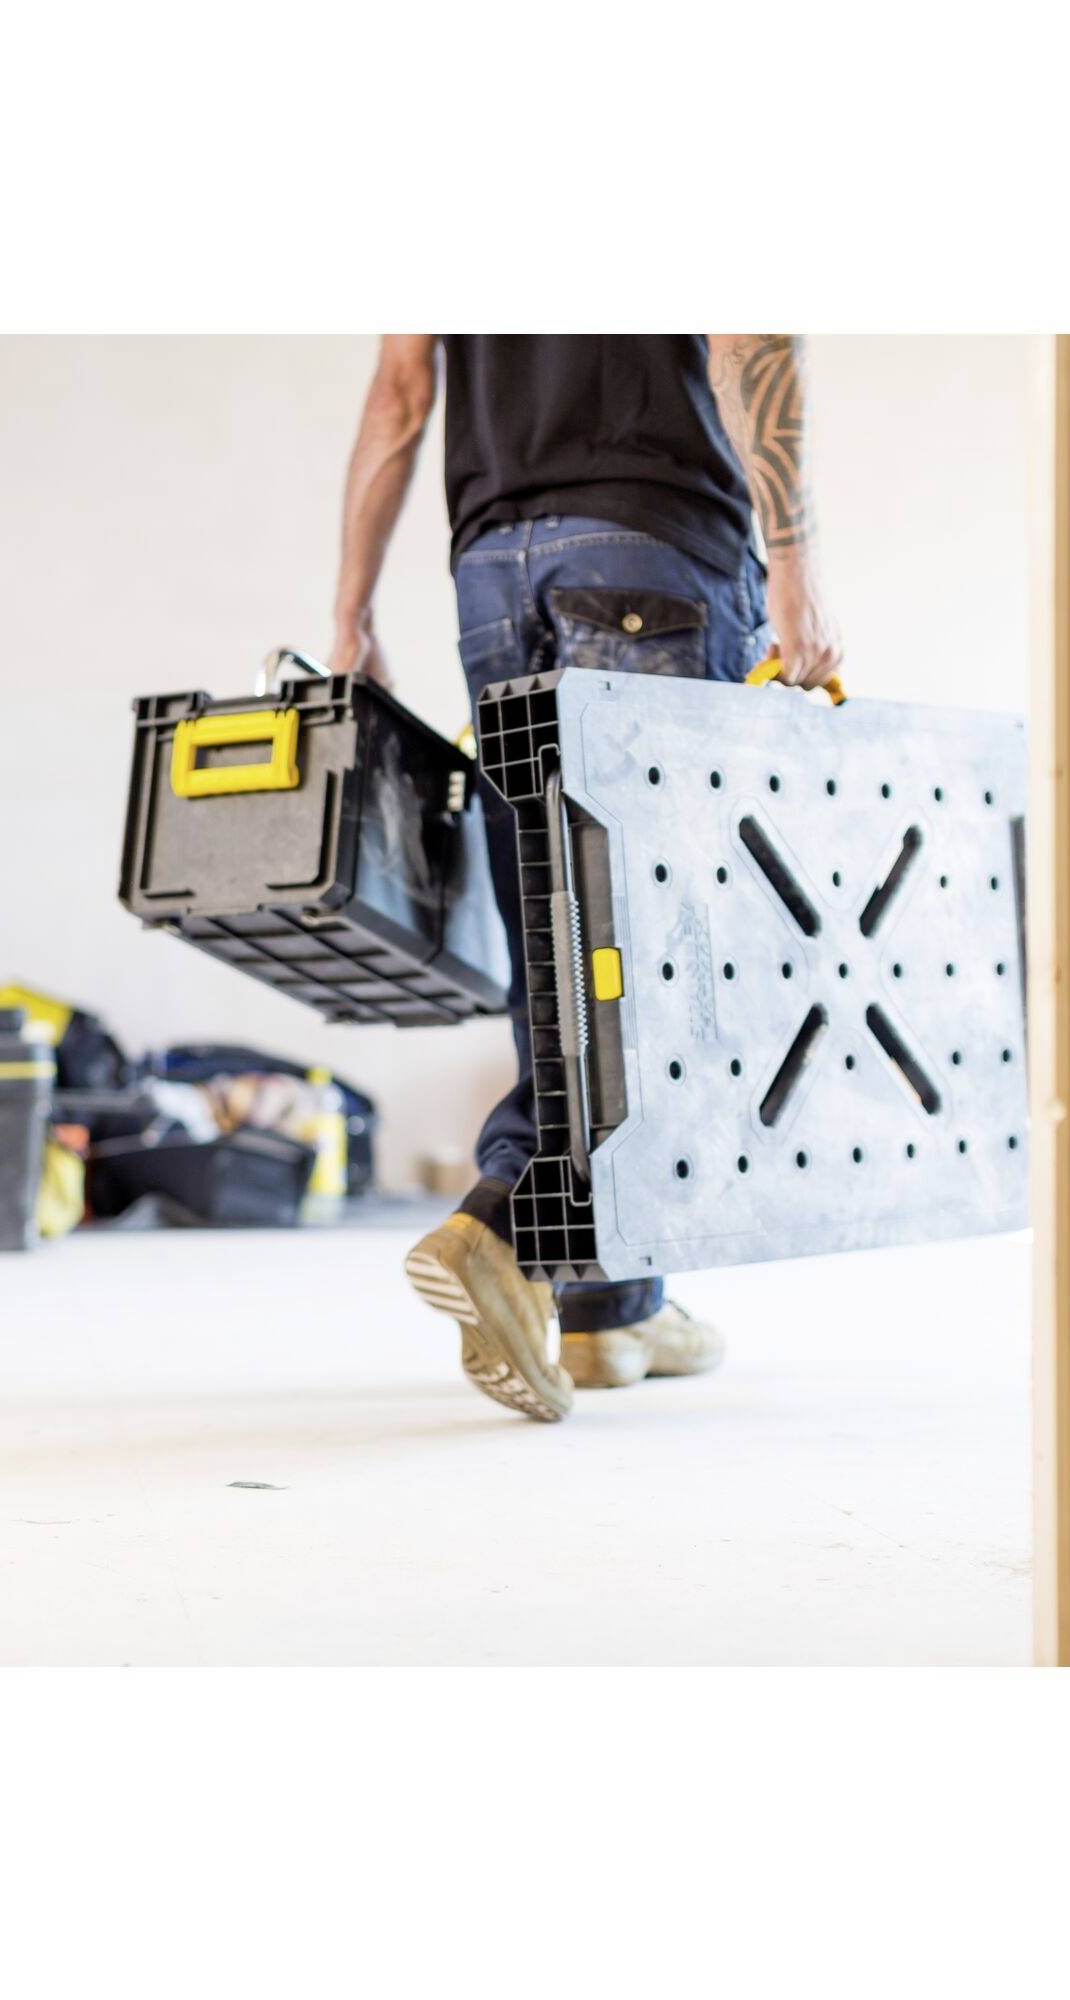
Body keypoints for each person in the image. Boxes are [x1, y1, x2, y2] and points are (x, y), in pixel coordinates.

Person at [329, 334, 844, 1422]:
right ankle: (505, 1219)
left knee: (554, 937)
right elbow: (747, 340)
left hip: (492, 569)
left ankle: (611, 1305)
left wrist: (352, 612)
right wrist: (794, 562)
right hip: (652, 542)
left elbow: (400, 390)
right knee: (658, 956)